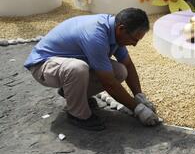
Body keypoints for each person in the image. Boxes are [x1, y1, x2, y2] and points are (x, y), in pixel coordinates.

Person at [24, 8, 160, 131]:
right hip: (43, 65)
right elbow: (109, 83)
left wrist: (139, 96)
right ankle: (77, 114)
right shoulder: (96, 35)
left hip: (64, 65)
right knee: (78, 68)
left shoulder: (115, 31)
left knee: (120, 71)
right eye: (134, 39)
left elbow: (128, 65)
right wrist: (138, 109)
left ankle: (72, 94)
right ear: (121, 29)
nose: (135, 44)